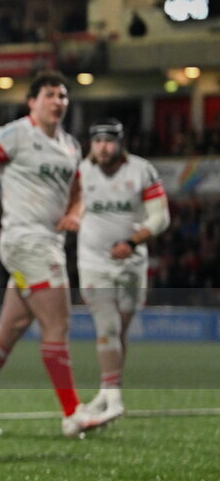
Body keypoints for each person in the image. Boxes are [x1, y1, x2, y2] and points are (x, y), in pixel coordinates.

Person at [0, 71, 96, 437]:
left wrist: (76, 213)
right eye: (49, 95)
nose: (58, 101)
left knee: (10, 328)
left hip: (48, 241)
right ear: (32, 101)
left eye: (63, 96)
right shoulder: (15, 134)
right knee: (57, 325)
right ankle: (72, 413)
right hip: (26, 242)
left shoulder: (70, 146)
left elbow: (79, 191)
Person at [77, 118, 170, 426]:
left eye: (109, 141)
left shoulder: (142, 170)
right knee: (108, 327)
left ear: (121, 142)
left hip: (131, 264)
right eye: (97, 141)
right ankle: (115, 398)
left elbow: (161, 217)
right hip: (93, 262)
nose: (103, 147)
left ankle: (106, 390)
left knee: (120, 330)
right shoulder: (81, 171)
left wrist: (132, 241)